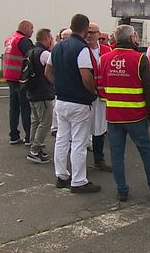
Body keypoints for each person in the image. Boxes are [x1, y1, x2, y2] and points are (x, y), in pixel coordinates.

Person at [98, 25, 150, 201]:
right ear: (131, 39)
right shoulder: (140, 59)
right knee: (146, 152)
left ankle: (122, 190)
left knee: (116, 154)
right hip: (136, 115)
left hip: (114, 115)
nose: (136, 38)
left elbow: (100, 86)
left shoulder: (104, 59)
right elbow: (149, 89)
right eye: (135, 35)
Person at [45, 14, 100, 194]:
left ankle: (61, 175)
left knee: (62, 139)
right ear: (85, 30)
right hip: (79, 102)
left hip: (61, 100)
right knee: (79, 142)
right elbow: (86, 76)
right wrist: (93, 92)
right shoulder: (82, 49)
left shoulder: (58, 47)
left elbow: (48, 72)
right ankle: (79, 180)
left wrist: (60, 85)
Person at [25, 28, 54, 164]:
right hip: (42, 92)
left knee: (35, 120)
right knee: (45, 121)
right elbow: (53, 69)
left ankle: (34, 144)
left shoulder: (30, 51)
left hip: (32, 91)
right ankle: (35, 150)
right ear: (46, 38)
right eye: (51, 38)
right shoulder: (44, 54)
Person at [86, 21, 112, 172]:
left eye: (93, 33)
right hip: (86, 95)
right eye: (87, 32)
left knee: (100, 128)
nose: (89, 35)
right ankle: (79, 160)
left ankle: (99, 159)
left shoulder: (107, 50)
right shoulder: (81, 49)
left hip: (102, 95)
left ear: (98, 34)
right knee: (83, 128)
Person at [3, 19, 34, 145]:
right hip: (20, 78)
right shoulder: (23, 40)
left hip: (10, 76)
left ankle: (14, 135)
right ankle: (28, 137)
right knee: (25, 107)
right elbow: (32, 56)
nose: (32, 30)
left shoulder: (10, 39)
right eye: (31, 28)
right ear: (25, 28)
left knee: (13, 108)